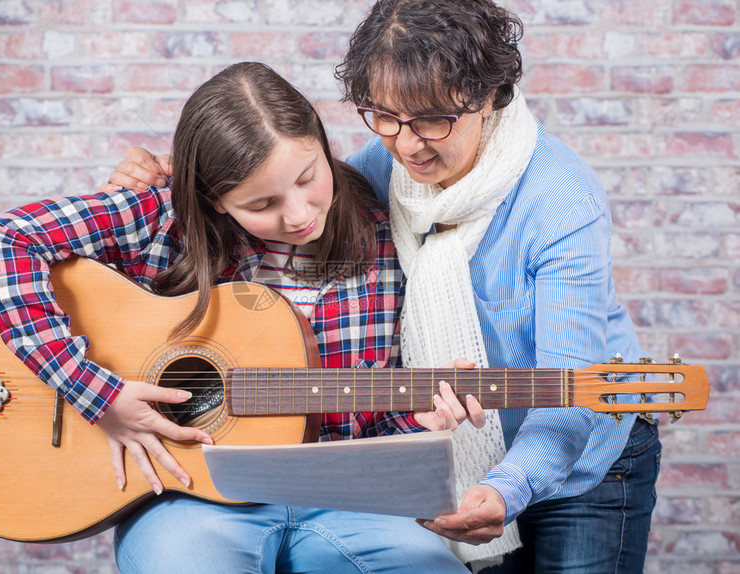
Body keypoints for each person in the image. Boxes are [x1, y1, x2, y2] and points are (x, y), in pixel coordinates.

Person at [102, 1, 661, 572]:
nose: (409, 144)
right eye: (386, 116)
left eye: (434, 119)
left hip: (581, 447)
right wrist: (177, 176)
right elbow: (281, 184)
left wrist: (508, 486)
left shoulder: (562, 204)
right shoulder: (379, 174)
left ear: (491, 95)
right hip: (468, 448)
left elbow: (569, 397)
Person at [0, 61, 480, 574]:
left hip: (342, 501)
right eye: (262, 202)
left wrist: (419, 418)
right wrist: (98, 394)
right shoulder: (163, 219)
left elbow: (362, 417)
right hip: (190, 497)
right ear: (215, 200)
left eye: (308, 177)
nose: (298, 214)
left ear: (322, 143)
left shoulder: (386, 234)